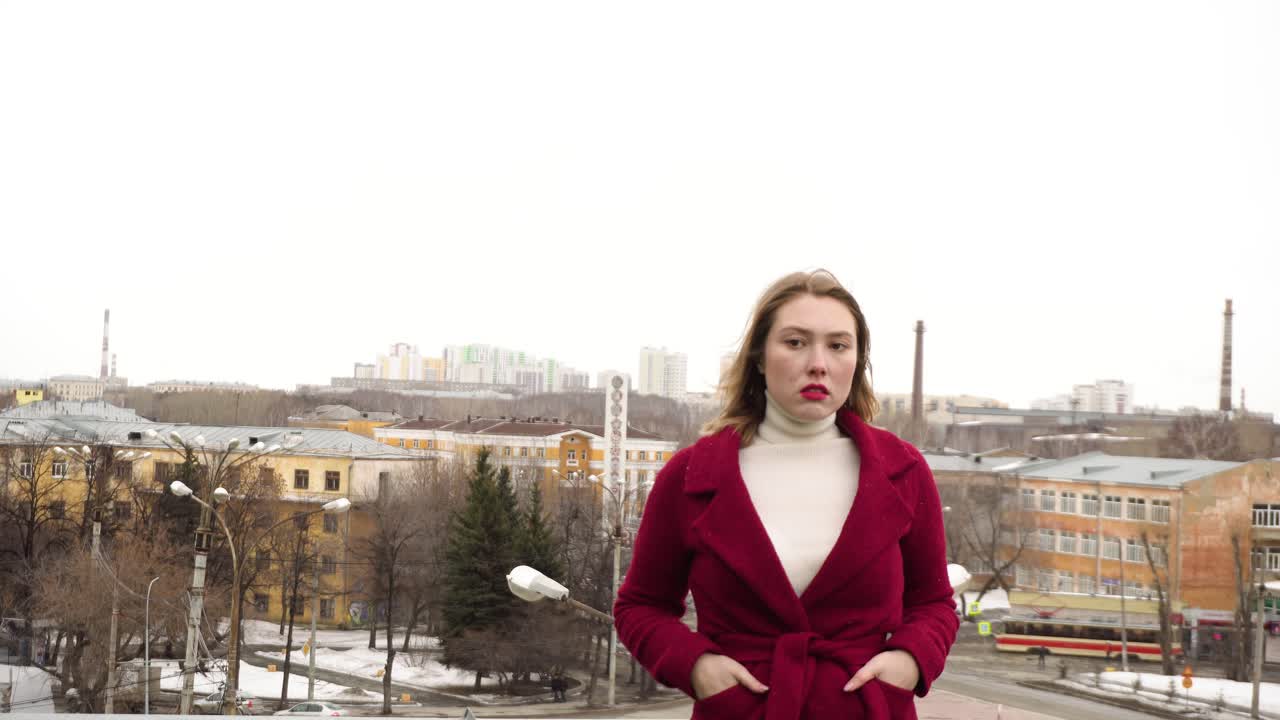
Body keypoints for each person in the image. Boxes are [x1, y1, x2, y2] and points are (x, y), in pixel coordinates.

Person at [614, 270, 958, 719]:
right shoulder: (691, 477)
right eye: (795, 342)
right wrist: (697, 668)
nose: (818, 363)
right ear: (759, 357)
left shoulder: (903, 472)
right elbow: (641, 606)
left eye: (838, 345)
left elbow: (933, 603)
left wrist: (908, 662)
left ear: (857, 362)